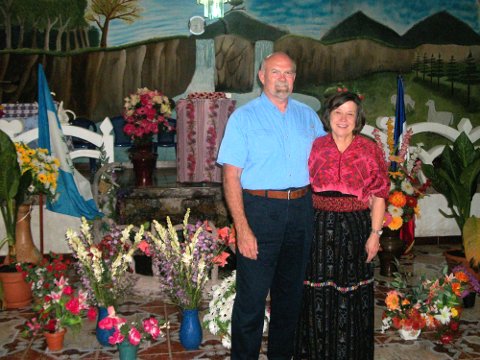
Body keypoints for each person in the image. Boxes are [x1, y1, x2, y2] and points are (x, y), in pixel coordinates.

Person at [217, 52, 326, 360]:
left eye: (288, 73)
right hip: (260, 212)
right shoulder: (243, 118)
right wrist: (242, 228)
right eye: (275, 72)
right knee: (251, 301)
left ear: (295, 78)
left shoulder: (308, 116)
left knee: (290, 299)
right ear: (262, 76)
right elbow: (230, 177)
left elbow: (325, 163)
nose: (282, 78)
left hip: (302, 211)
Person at [294, 92, 390, 360]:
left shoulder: (369, 149)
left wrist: (375, 234)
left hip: (354, 228)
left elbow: (379, 195)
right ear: (329, 116)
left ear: (358, 118)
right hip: (318, 226)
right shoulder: (315, 147)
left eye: (350, 113)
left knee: (351, 289)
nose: (343, 119)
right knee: (316, 289)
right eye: (338, 112)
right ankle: (316, 353)